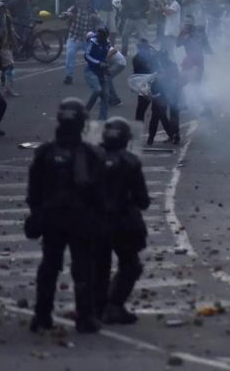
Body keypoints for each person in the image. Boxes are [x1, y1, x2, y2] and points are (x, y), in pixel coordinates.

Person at [26, 98, 106, 334]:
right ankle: (85, 318)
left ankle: (41, 316)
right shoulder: (91, 154)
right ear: (82, 123)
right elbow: (100, 193)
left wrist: (38, 214)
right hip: (80, 220)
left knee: (49, 267)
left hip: (52, 219)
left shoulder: (45, 153)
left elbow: (34, 191)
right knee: (83, 268)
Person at [95, 117, 150, 325]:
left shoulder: (91, 158)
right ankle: (114, 305)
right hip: (124, 223)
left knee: (99, 266)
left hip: (96, 222)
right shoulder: (130, 162)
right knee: (130, 265)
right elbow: (142, 200)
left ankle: (96, 308)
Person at [62, 0, 98, 84]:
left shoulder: (92, 10)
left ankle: (95, 75)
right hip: (74, 37)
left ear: (87, 1)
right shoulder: (74, 9)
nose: (82, 1)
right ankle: (69, 76)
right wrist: (66, 15)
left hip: (87, 39)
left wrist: (96, 18)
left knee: (93, 58)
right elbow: (67, 13)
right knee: (70, 55)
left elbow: (99, 20)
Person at [84, 27, 113, 121]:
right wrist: (98, 63)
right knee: (97, 90)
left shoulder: (107, 44)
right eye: (99, 33)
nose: (100, 35)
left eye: (103, 34)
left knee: (105, 96)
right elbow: (87, 55)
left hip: (101, 73)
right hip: (91, 71)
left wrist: (107, 66)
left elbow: (105, 57)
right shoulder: (93, 42)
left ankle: (102, 119)